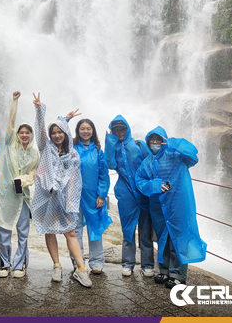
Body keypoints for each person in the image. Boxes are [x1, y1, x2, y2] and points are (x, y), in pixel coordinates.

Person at [31, 93, 92, 288]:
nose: (57, 135)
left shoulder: (73, 155)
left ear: (65, 134)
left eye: (60, 132)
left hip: (65, 199)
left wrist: (72, 203)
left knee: (71, 233)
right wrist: (40, 109)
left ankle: (81, 270)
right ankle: (56, 266)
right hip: (46, 197)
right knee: (49, 231)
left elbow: (75, 181)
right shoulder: (45, 148)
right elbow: (40, 130)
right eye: (54, 133)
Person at [135, 126, 207, 289]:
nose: (154, 142)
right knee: (163, 239)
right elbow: (139, 181)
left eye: (158, 139)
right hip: (159, 206)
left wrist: (174, 143)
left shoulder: (176, 155)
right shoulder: (147, 162)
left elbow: (193, 156)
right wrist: (155, 185)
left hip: (178, 203)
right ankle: (165, 270)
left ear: (164, 140)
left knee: (178, 237)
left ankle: (178, 275)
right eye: (151, 139)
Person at [0, 91, 39, 279]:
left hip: (23, 197)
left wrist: (24, 180)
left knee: (23, 233)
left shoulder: (34, 154)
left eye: (27, 132)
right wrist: (14, 102)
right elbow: (10, 123)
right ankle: (5, 264)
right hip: (6, 195)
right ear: (17, 134)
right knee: (3, 229)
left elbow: (34, 173)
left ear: (31, 135)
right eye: (22, 132)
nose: (24, 134)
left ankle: (20, 264)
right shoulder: (10, 144)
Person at [105, 115, 155, 278]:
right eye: (116, 129)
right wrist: (110, 142)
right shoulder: (114, 147)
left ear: (127, 129)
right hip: (126, 194)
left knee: (145, 230)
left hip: (143, 193)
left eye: (122, 129)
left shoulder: (139, 145)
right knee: (127, 230)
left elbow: (151, 163)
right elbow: (110, 164)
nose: (119, 132)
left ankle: (147, 264)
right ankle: (127, 263)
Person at [71, 119, 112, 274]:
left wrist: (102, 195)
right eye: (82, 128)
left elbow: (103, 174)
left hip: (93, 196)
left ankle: (96, 262)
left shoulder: (97, 151)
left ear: (93, 131)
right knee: (75, 230)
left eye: (88, 128)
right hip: (74, 196)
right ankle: (77, 261)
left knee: (95, 228)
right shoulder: (72, 148)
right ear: (78, 130)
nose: (85, 131)